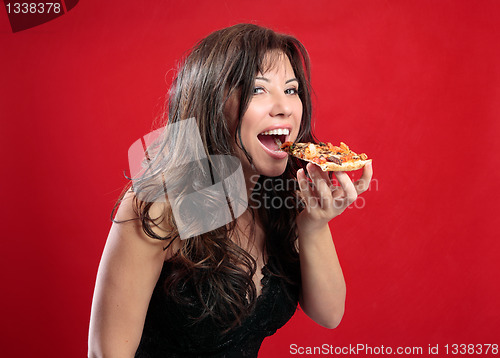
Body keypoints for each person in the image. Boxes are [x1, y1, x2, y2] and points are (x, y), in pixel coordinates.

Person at [88, 23, 373, 358]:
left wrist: (314, 225)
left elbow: (329, 314)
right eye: (257, 89)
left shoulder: (285, 190)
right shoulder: (158, 208)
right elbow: (106, 354)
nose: (284, 107)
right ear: (211, 104)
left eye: (292, 90)